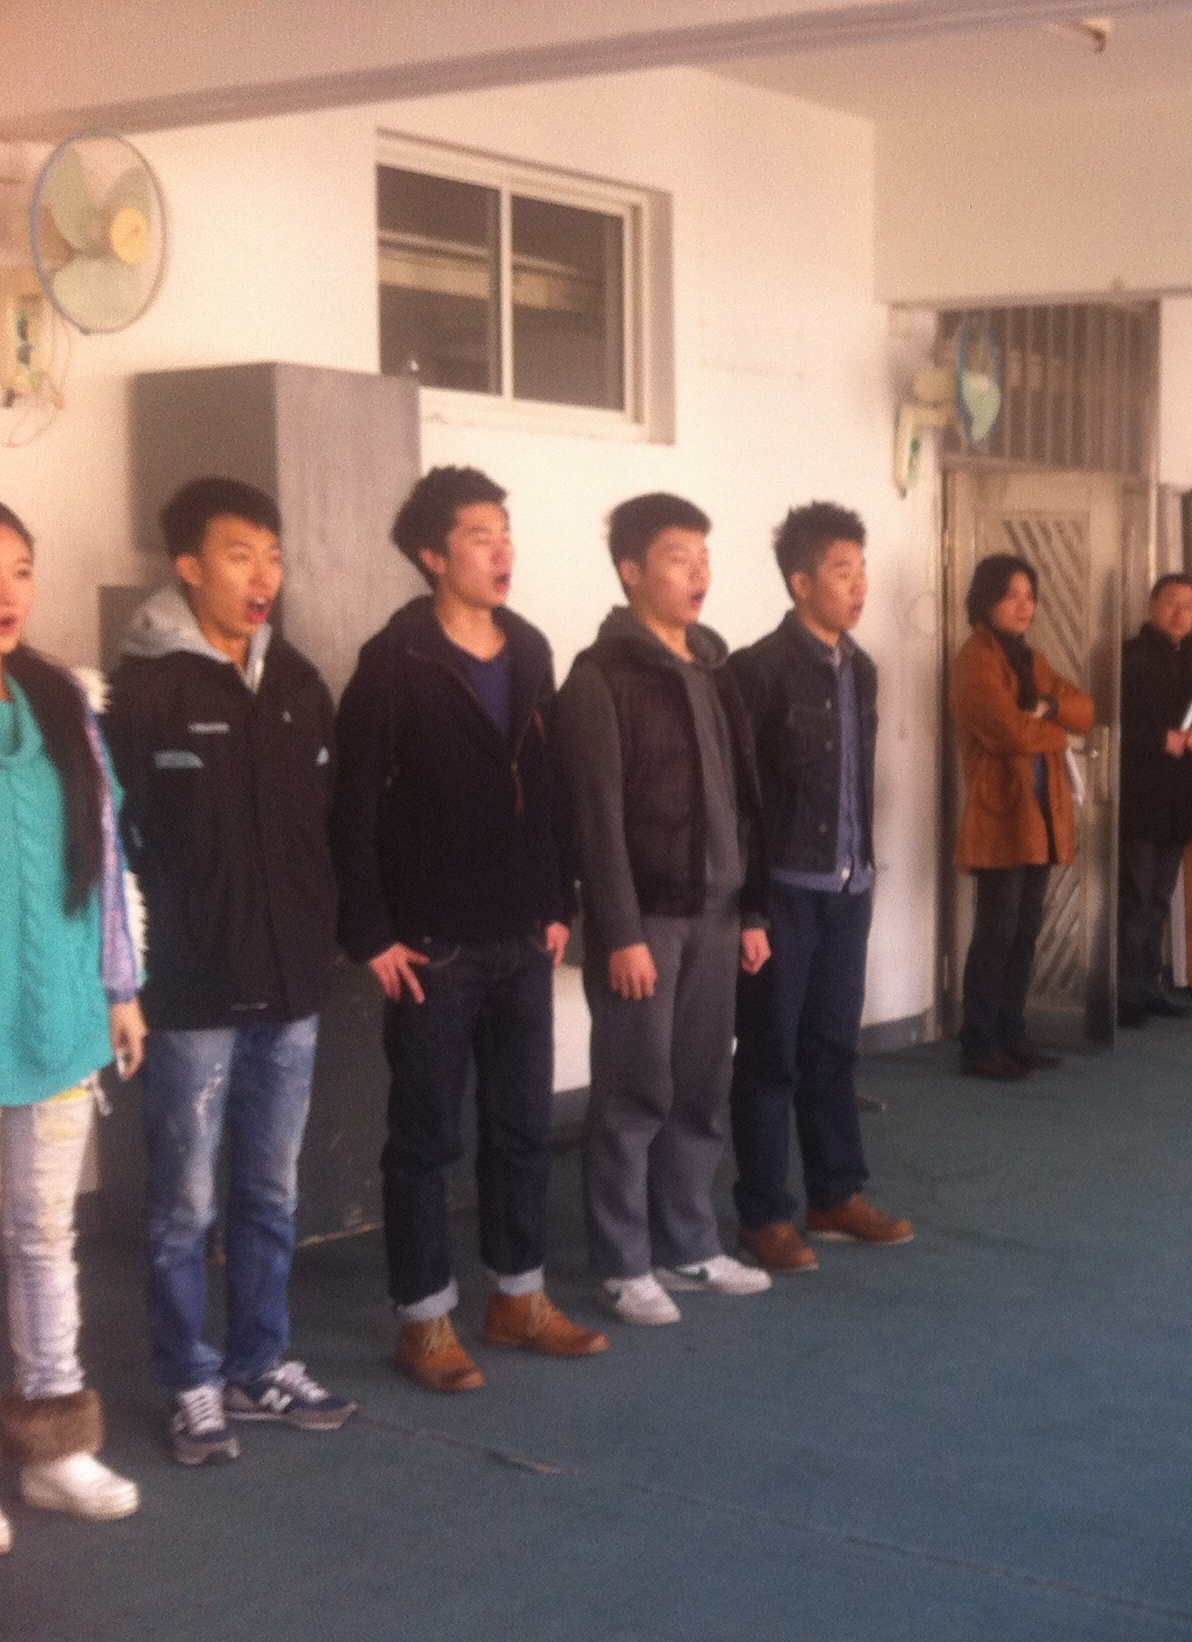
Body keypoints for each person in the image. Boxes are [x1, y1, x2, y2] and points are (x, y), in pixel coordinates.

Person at [333, 466, 606, 1394]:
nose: (502, 550)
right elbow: (352, 804)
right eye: (480, 535)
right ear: (433, 555)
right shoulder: (395, 660)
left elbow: (552, 784)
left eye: (505, 532)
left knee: (522, 1126)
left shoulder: (529, 647)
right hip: (434, 944)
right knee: (425, 1138)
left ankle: (518, 1297)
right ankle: (424, 1319)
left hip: (524, 935)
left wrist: (559, 903)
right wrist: (371, 932)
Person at [108, 478, 355, 1468]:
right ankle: (190, 1380)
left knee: (270, 1190)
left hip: (290, 984)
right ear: (189, 567)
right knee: (183, 1203)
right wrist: (130, 977)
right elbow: (116, 847)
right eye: (241, 554)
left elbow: (325, 826)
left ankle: (261, 1363)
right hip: (190, 993)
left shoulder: (296, 682)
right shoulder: (143, 694)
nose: (264, 577)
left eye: (274, 556)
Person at [558, 493, 773, 1324]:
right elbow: (596, 817)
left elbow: (744, 800)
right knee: (633, 1091)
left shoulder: (714, 669)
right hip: (645, 921)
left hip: (718, 913)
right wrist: (618, 932)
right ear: (632, 570)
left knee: (700, 1085)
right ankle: (622, 1263)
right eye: (679, 558)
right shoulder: (599, 677)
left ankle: (688, 1246)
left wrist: (752, 912)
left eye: (704, 557)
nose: (698, 573)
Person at [0, 502, 146, 1534]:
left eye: (20, 568)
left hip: (53, 1018)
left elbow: (105, 857)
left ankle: (56, 1447)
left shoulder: (64, 701)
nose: (7, 592)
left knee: (44, 1236)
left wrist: (121, 988)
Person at [723, 502, 914, 1274]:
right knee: (770, 1053)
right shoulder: (757, 669)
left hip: (847, 886)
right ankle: (764, 1212)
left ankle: (836, 1194)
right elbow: (742, 800)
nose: (859, 585)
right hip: (783, 892)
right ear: (802, 583)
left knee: (833, 1047)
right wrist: (750, 906)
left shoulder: (861, 668)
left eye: (862, 570)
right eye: (843, 572)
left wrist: (860, 870)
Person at [951, 553, 1097, 1080]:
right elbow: (1008, 732)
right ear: (986, 599)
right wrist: (1057, 731)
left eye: (1030, 595)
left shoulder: (1032, 660)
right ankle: (979, 1043)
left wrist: (1051, 709)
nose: (1024, 605)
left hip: (1041, 813)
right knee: (997, 930)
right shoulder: (975, 658)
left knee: (1026, 929)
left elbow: (1086, 710)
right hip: (1001, 814)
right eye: (1012, 594)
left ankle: (1012, 1034)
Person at [1116, 573, 1192, 1028]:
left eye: (1190, 606)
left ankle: (1149, 987)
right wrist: (1162, 738)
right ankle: (1124, 994)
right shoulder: (1129, 658)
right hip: (1141, 798)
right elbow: (1112, 723)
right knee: (1135, 900)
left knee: (1159, 900)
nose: (1180, 613)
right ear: (1152, 605)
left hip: (1182, 800)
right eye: (1172, 602)